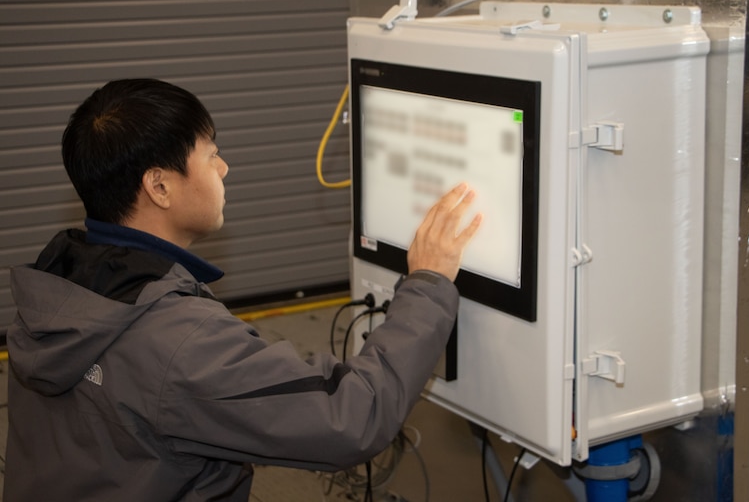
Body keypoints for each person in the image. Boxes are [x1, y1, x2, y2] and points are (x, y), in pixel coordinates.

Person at [5, 78, 482, 501]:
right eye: (211, 155)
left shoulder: (53, 287)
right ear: (160, 187)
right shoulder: (178, 343)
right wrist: (428, 282)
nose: (225, 168)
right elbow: (351, 418)